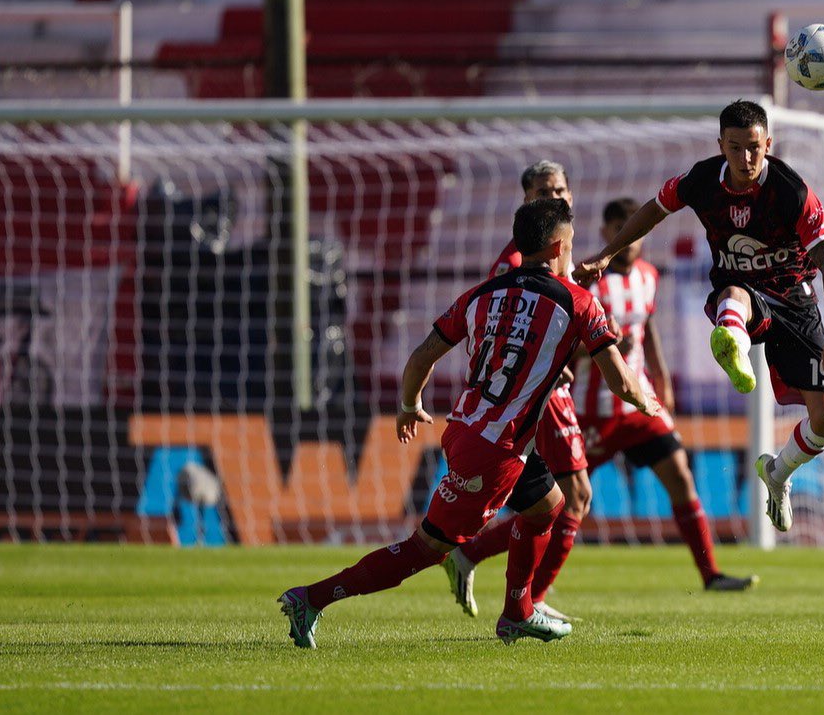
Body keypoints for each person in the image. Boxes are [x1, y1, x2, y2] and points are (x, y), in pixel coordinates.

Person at [277, 199, 661, 647]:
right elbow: (620, 380)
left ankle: (518, 611)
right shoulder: (579, 303)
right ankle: (312, 598)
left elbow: (422, 355)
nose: (573, 255)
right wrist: (648, 401)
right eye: (572, 247)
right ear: (558, 247)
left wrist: (408, 404)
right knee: (425, 548)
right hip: (493, 450)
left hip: (469, 428)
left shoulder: (484, 293)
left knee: (548, 506)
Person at [573, 100, 824, 533]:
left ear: (768, 144)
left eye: (754, 148)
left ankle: (777, 473)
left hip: (796, 300)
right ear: (721, 145)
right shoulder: (702, 180)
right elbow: (653, 210)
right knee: (735, 292)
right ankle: (732, 343)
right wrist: (606, 255)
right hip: (741, 295)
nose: (745, 159)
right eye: (735, 148)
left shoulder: (791, 190)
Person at [573, 197, 758, 590]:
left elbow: (649, 328)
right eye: (619, 229)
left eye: (633, 231)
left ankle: (711, 575)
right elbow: (564, 344)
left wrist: (662, 379)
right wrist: (602, 346)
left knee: (680, 477)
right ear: (606, 232)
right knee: (560, 501)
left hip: (640, 403)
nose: (630, 240)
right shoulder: (586, 280)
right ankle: (510, 570)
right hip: (594, 409)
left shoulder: (648, 276)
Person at [439, 160, 594, 624]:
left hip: (540, 387)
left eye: (562, 189)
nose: (557, 197)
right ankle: (530, 602)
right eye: (545, 190)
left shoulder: (555, 251)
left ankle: (480, 564)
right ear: (526, 201)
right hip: (531, 394)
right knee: (574, 495)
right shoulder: (513, 263)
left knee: (558, 499)